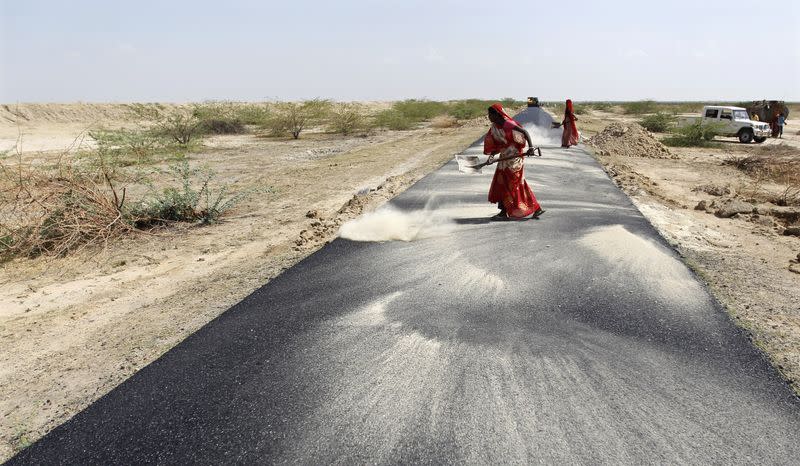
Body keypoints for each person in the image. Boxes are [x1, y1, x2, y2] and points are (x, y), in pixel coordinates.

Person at [483, 103, 544, 220]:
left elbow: (525, 132)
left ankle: (536, 208)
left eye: (490, 114)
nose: (489, 117)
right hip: (504, 157)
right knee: (501, 183)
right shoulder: (494, 127)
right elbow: (497, 145)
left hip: (515, 159)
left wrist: (531, 148)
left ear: (497, 114)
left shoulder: (507, 124)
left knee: (515, 185)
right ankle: (503, 211)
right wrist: (491, 156)